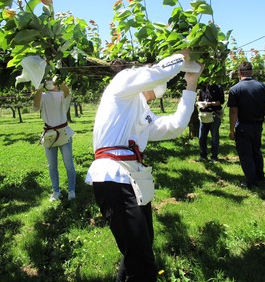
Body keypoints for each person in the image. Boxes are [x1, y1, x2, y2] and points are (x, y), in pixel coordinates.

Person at [86, 50, 203, 282]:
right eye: (155, 88)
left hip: (134, 179)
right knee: (141, 259)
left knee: (140, 247)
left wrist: (191, 85)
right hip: (113, 176)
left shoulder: (143, 114)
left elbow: (176, 126)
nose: (155, 94)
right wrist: (182, 57)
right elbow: (158, 73)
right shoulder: (121, 85)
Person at [228, 61, 265, 189]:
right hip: (258, 125)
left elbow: (233, 112)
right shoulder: (262, 87)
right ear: (251, 72)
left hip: (243, 125)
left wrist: (231, 130)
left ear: (239, 73)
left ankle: (251, 181)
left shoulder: (235, 89)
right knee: (256, 151)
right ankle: (260, 177)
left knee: (245, 153)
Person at [33, 78, 76, 201]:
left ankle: (71, 190)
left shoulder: (62, 95)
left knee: (69, 164)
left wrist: (60, 79)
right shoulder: (43, 96)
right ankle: (56, 191)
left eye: (51, 79)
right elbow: (36, 106)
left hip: (63, 133)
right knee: (52, 165)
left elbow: (67, 92)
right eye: (47, 80)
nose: (49, 81)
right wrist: (39, 88)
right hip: (49, 135)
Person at [196, 83, 225, 162]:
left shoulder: (218, 87)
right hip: (204, 116)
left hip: (214, 115)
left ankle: (214, 157)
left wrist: (208, 104)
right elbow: (199, 100)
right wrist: (199, 104)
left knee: (214, 137)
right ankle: (203, 156)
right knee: (202, 137)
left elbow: (221, 101)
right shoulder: (203, 88)